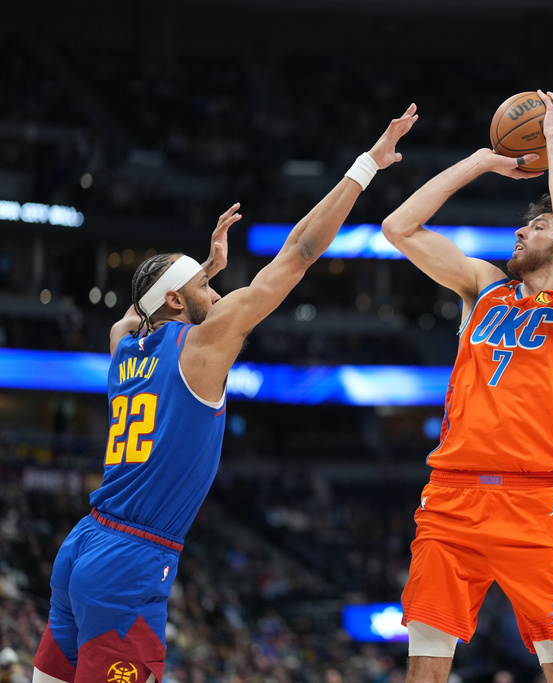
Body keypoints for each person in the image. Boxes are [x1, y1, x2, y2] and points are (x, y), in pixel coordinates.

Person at [31, 105, 418, 683]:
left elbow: (135, 314)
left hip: (83, 545)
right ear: (175, 302)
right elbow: (300, 253)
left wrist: (197, 276)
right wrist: (366, 166)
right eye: (204, 284)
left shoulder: (124, 347)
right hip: (130, 561)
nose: (215, 288)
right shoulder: (203, 342)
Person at [381, 90, 553, 683]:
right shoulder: (482, 287)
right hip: (450, 499)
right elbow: (398, 227)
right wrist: (482, 160)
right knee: (425, 667)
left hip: (533, 505)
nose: (519, 231)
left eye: (533, 226)